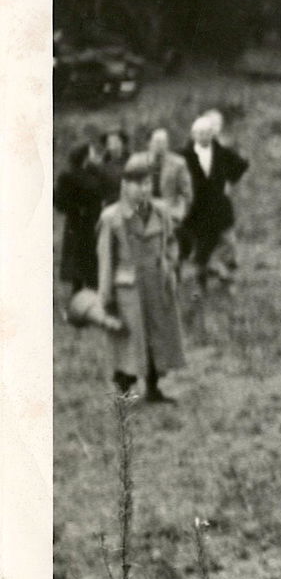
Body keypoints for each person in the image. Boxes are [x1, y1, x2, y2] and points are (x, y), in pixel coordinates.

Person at [97, 153, 185, 402]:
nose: (144, 189)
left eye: (148, 183)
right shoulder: (112, 217)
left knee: (157, 336)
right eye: (138, 184)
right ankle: (124, 394)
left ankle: (154, 388)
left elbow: (171, 243)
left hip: (156, 284)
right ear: (125, 185)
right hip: (128, 289)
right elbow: (106, 260)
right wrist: (106, 298)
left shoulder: (161, 211)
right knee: (128, 342)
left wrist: (169, 265)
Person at [179, 112, 250, 288]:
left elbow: (241, 165)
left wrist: (229, 181)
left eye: (208, 132)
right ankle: (202, 284)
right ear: (193, 134)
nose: (204, 137)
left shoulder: (222, 152)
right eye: (200, 133)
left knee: (229, 241)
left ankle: (226, 276)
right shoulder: (184, 155)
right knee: (202, 248)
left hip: (220, 206)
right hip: (197, 209)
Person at [55, 133, 111, 294]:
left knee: (93, 262)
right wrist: (78, 209)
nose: (95, 155)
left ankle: (93, 300)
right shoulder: (68, 175)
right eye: (92, 152)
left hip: (94, 222)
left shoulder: (93, 171)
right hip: (78, 225)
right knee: (78, 268)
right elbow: (60, 202)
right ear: (85, 155)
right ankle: (78, 304)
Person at [147, 127, 193, 227]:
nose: (159, 146)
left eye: (162, 142)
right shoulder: (142, 161)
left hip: (169, 209)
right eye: (156, 142)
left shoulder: (178, 163)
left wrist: (183, 213)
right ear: (150, 143)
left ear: (167, 144)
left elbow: (187, 192)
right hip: (147, 208)